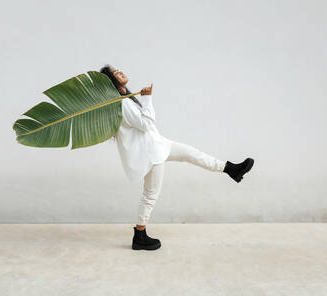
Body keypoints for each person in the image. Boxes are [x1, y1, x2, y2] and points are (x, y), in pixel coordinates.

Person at [100, 65, 255, 251]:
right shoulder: (123, 104)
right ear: (112, 83)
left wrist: (144, 99)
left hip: (158, 145)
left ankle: (231, 169)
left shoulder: (126, 101)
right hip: (152, 154)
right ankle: (139, 236)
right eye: (115, 73)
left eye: (117, 69)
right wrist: (148, 99)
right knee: (150, 195)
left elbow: (144, 125)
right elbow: (146, 123)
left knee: (192, 153)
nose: (120, 71)